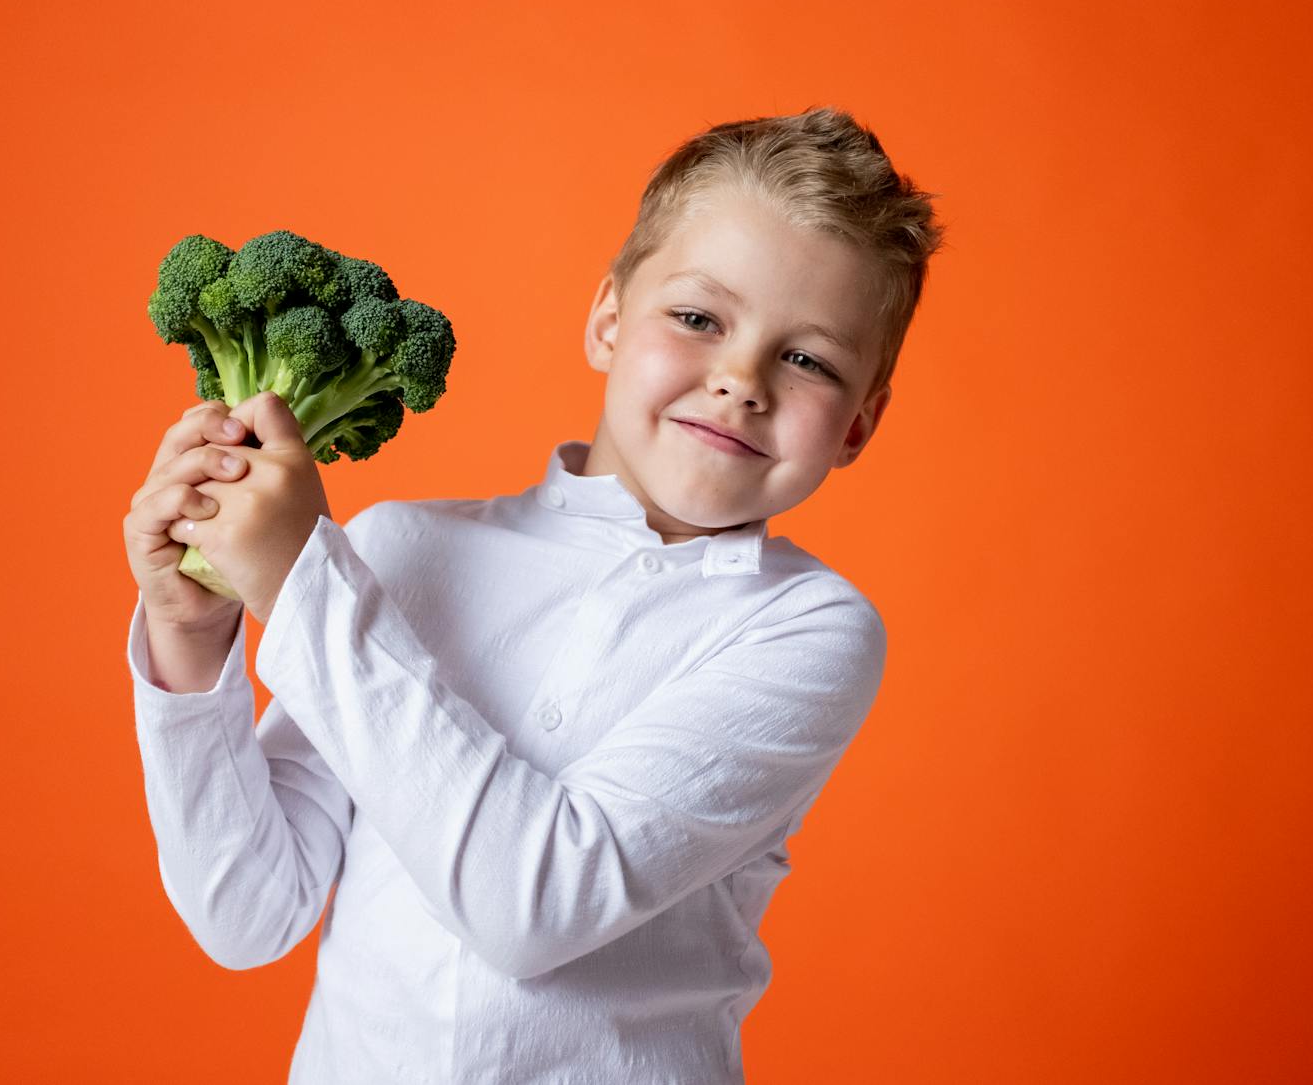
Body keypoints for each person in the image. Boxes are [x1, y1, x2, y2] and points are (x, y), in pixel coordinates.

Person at [120, 105, 944, 1083]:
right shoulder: (396, 549)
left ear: (857, 425)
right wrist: (192, 623)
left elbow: (534, 904)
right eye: (695, 317)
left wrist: (300, 579)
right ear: (606, 319)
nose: (738, 379)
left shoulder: (805, 630)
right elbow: (249, 910)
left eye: (807, 359)